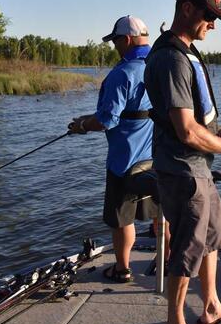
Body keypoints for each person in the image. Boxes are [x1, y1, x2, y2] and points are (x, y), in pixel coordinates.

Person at [144, 0, 221, 324]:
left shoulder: (183, 50)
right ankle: (176, 321)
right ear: (187, 9)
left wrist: (218, 134)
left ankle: (211, 307)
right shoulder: (172, 58)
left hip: (199, 169)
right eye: (209, 16)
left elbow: (195, 121)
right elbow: (186, 130)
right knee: (187, 250)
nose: (213, 25)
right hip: (184, 173)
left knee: (214, 237)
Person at [68, 15, 159, 283]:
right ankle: (166, 259)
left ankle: (122, 269)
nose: (114, 47)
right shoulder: (162, 66)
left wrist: (82, 125)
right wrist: (87, 117)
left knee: (122, 220)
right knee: (160, 214)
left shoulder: (121, 74)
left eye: (116, 41)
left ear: (127, 40)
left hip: (125, 164)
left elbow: (107, 121)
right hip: (157, 160)